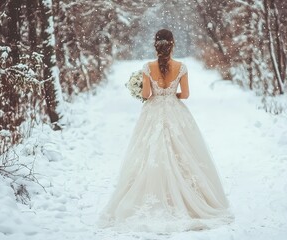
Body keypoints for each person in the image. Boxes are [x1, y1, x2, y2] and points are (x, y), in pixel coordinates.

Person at [97, 29, 233, 233]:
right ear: (172, 44)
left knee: (149, 153)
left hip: (152, 113)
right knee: (184, 153)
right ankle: (187, 199)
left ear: (155, 44)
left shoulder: (147, 67)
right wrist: (171, 95)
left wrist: (149, 91)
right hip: (175, 110)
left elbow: (146, 93)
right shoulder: (181, 67)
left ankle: (151, 194)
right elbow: (185, 94)